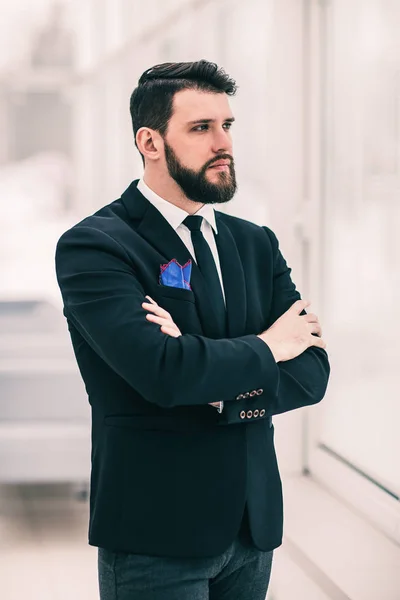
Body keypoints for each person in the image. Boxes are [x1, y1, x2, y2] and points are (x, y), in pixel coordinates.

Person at [55, 60, 330, 600]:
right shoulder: (96, 246)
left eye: (227, 126)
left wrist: (213, 384)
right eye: (201, 128)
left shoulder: (256, 243)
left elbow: (313, 371)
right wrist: (268, 347)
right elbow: (163, 375)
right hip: (155, 532)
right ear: (150, 142)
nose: (222, 142)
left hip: (252, 528)